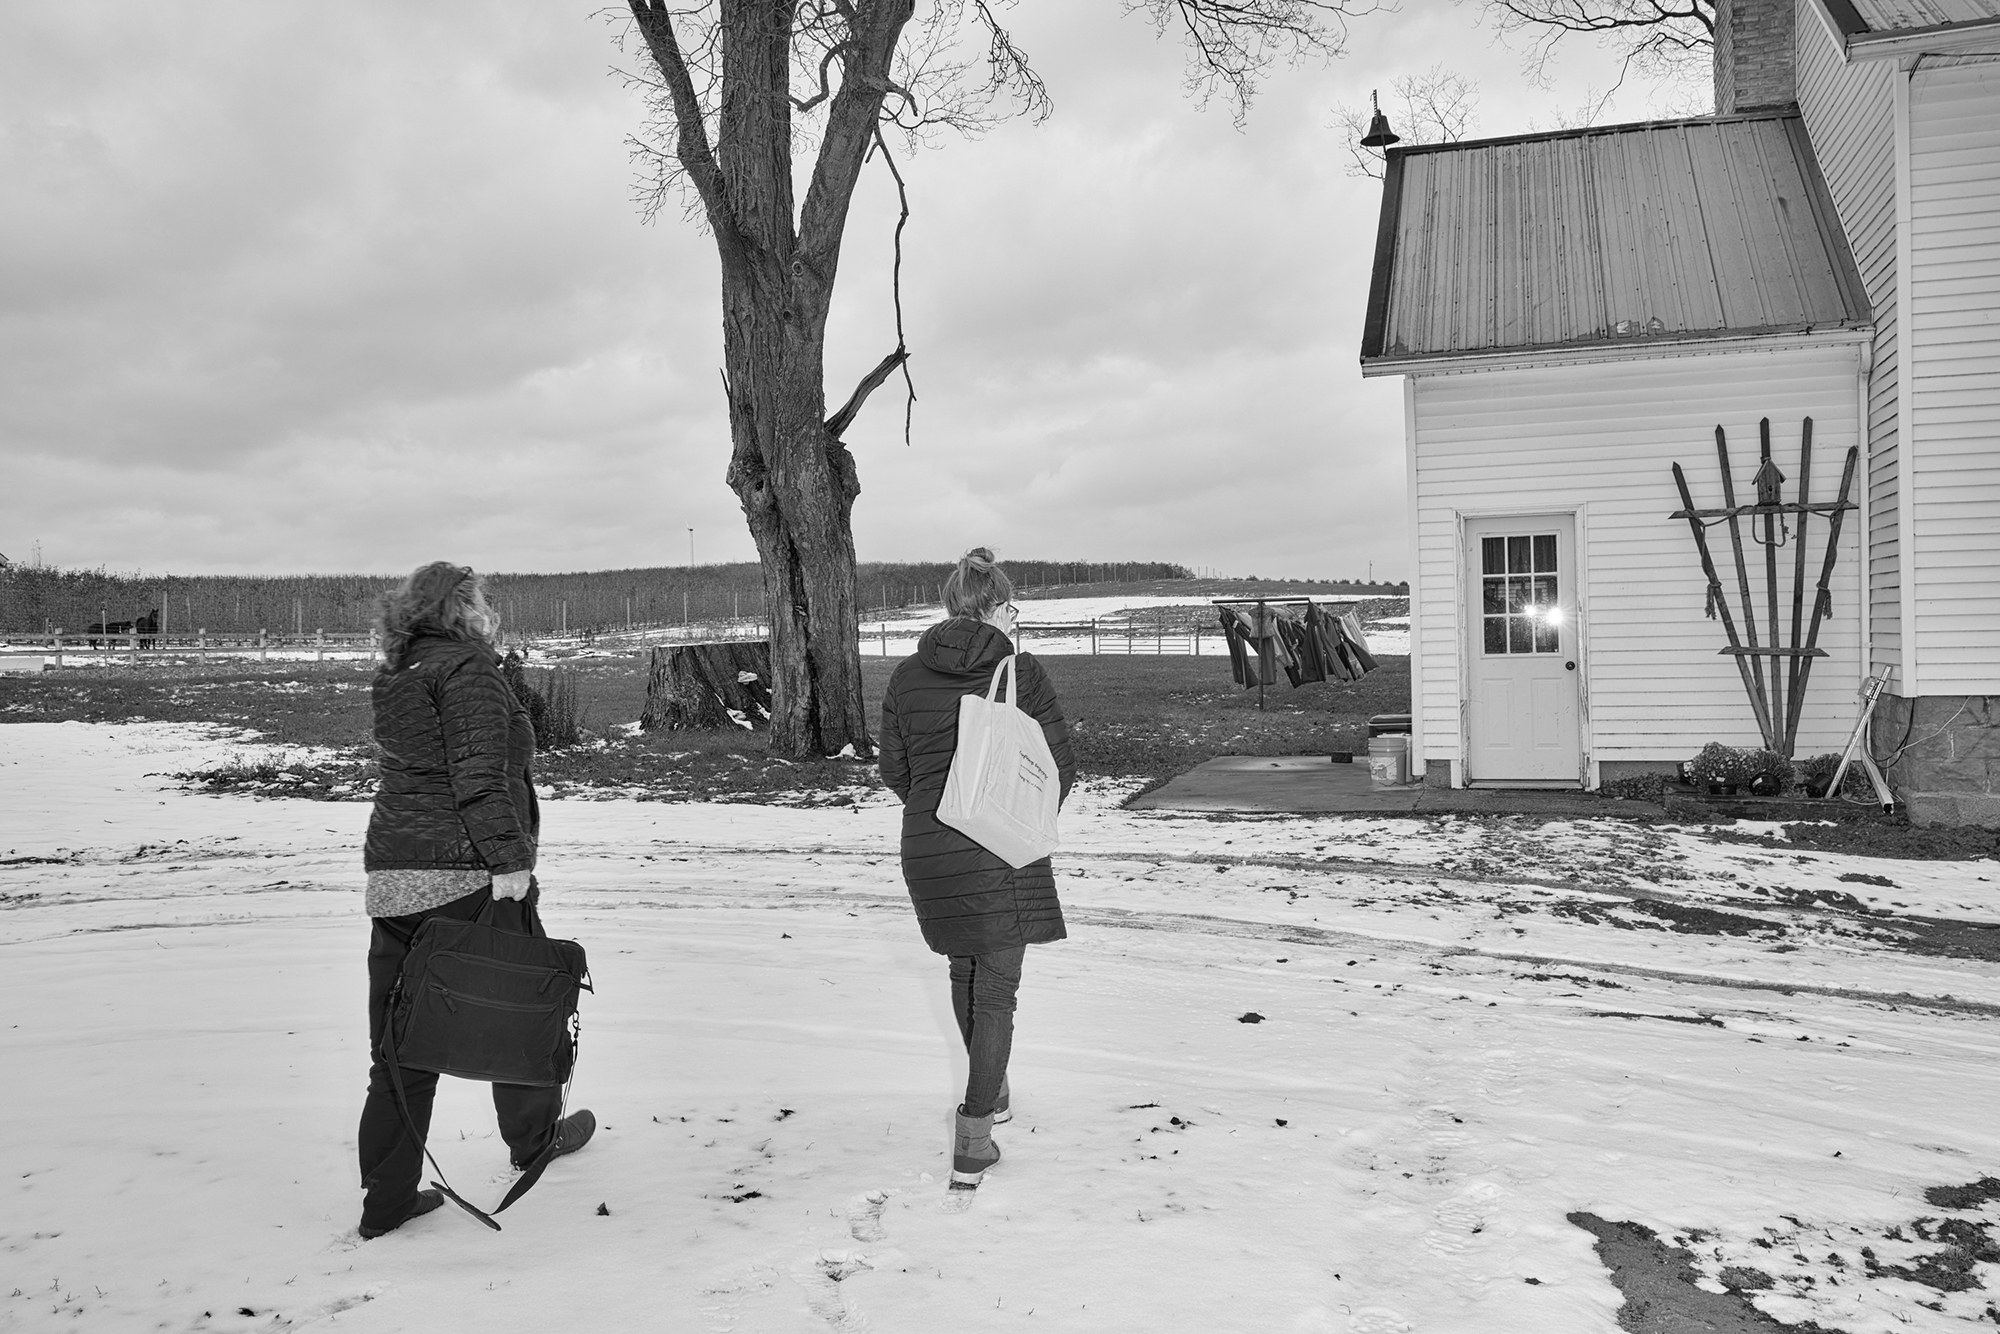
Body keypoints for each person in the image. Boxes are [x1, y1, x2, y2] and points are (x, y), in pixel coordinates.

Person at [355, 561, 594, 1238]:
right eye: (479, 599)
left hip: (395, 880)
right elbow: (479, 777)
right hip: (467, 875)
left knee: (399, 1051)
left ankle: (388, 1201)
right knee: (520, 1011)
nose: (487, 607)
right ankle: (535, 1140)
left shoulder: (396, 673)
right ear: (460, 608)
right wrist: (511, 863)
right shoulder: (464, 671)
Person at [877, 548, 1076, 1189]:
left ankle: (991, 1088)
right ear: (994, 607)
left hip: (929, 849)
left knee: (967, 974)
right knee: (996, 991)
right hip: (1000, 849)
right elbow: (1058, 767)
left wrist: (941, 814)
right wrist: (1007, 814)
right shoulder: (1019, 670)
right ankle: (974, 1136)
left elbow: (894, 771)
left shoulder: (907, 677)